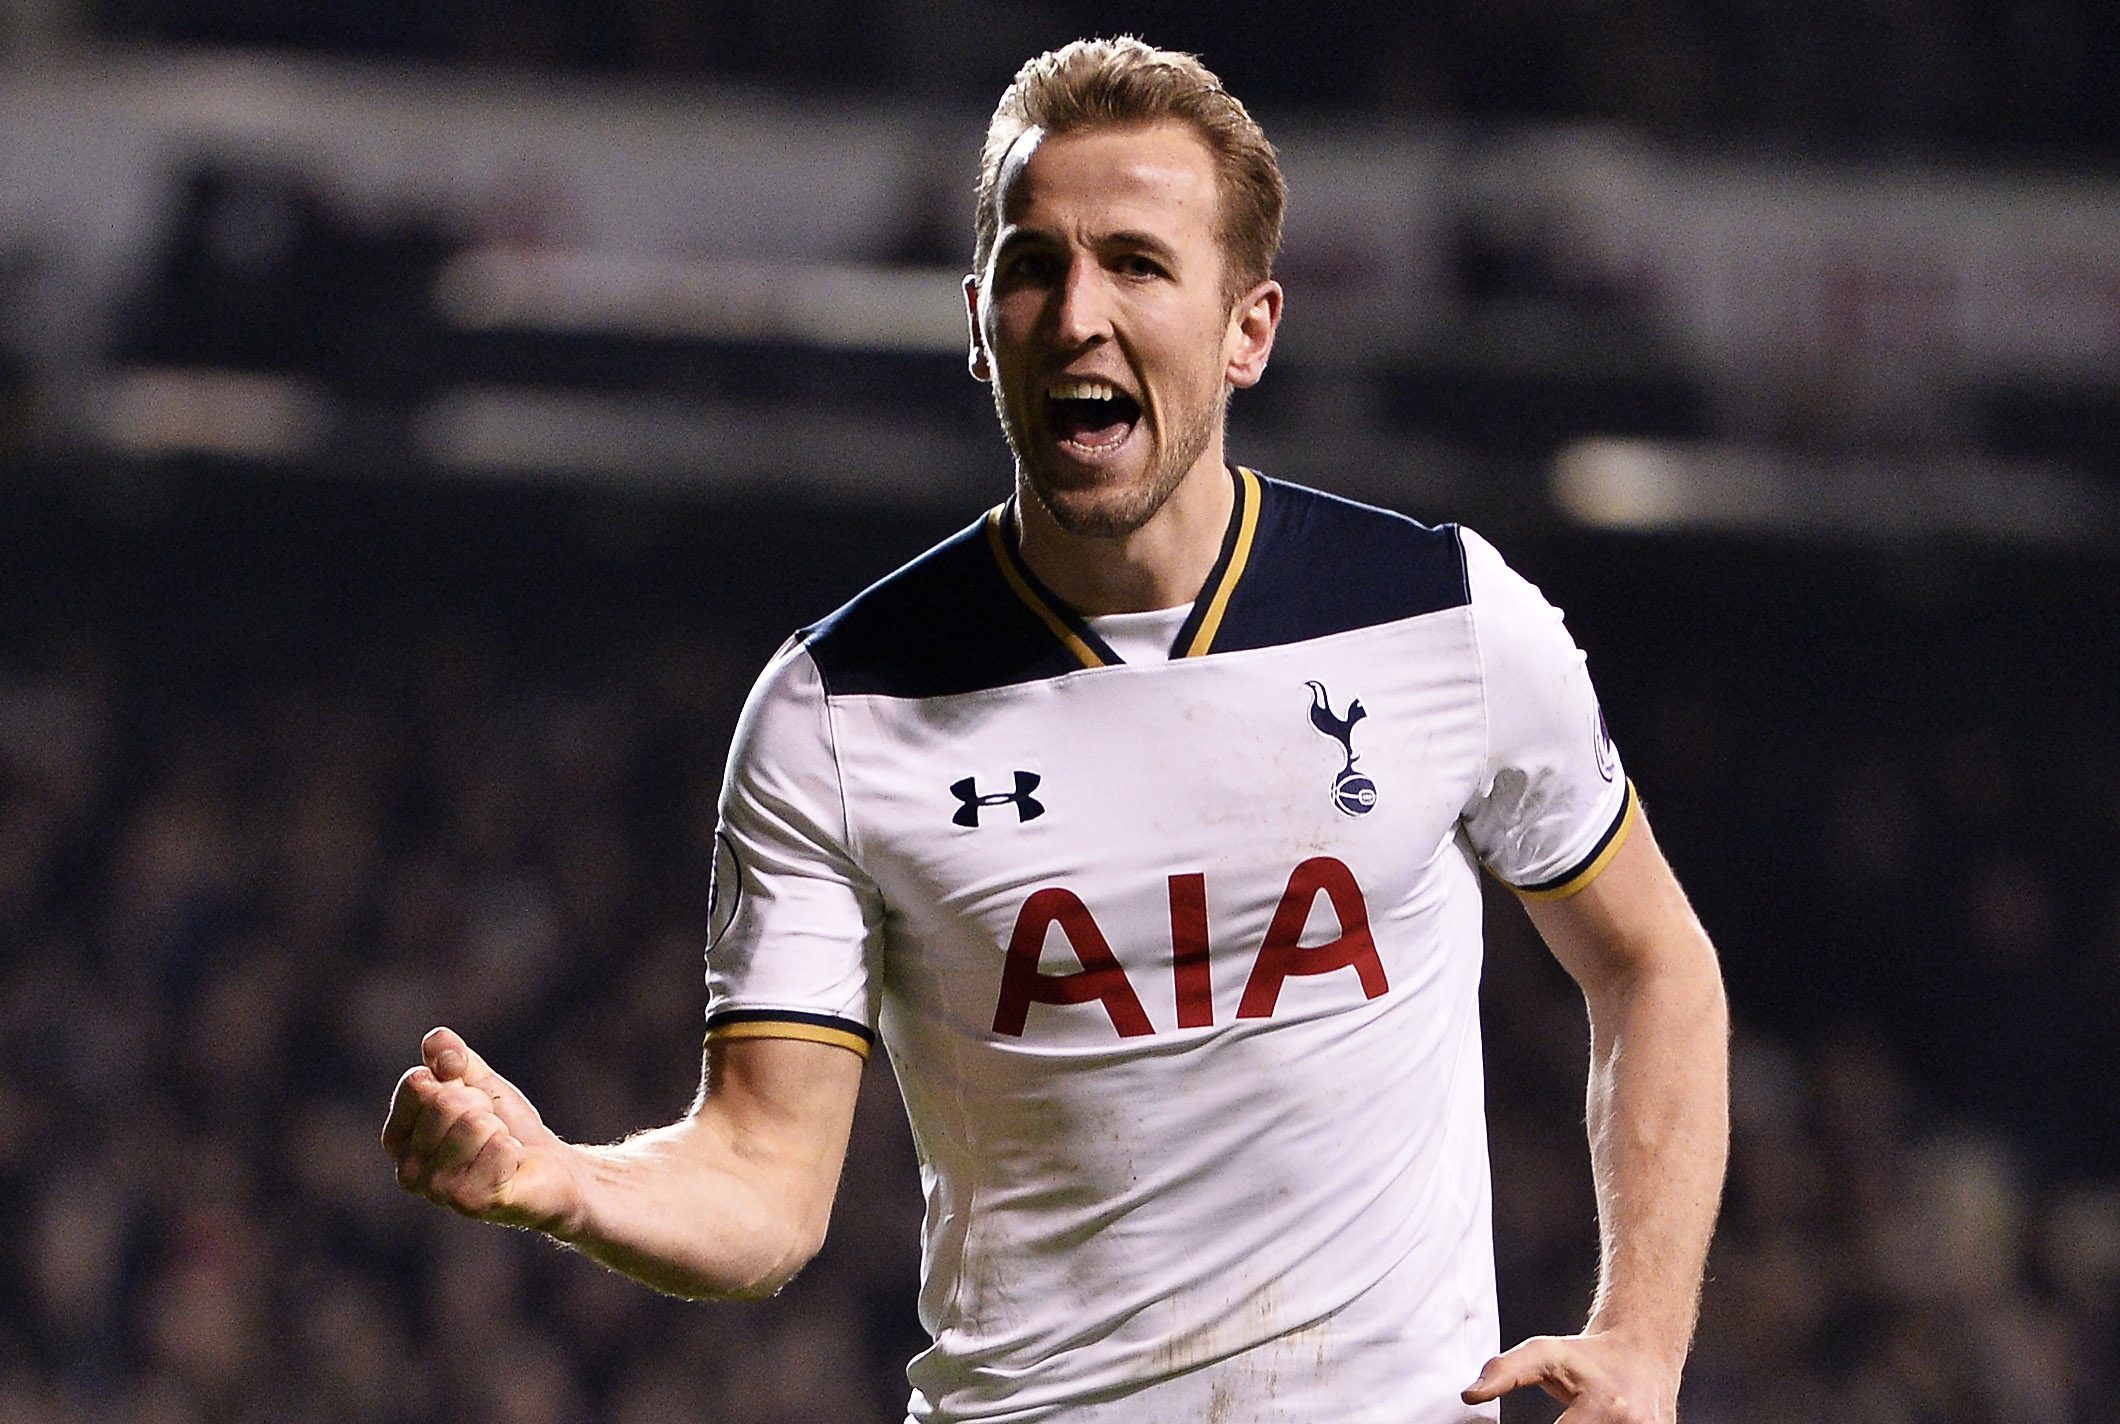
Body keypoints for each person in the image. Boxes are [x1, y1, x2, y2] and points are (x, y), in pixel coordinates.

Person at [382, 36, 1729, 1424]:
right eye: (1035, 267)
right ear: (979, 323)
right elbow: (763, 1191)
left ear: (1248, 326)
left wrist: (1643, 1340)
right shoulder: (837, 711)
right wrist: (560, 1184)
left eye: (1138, 264)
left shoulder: (1443, 620)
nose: (1077, 311)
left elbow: (1654, 965)